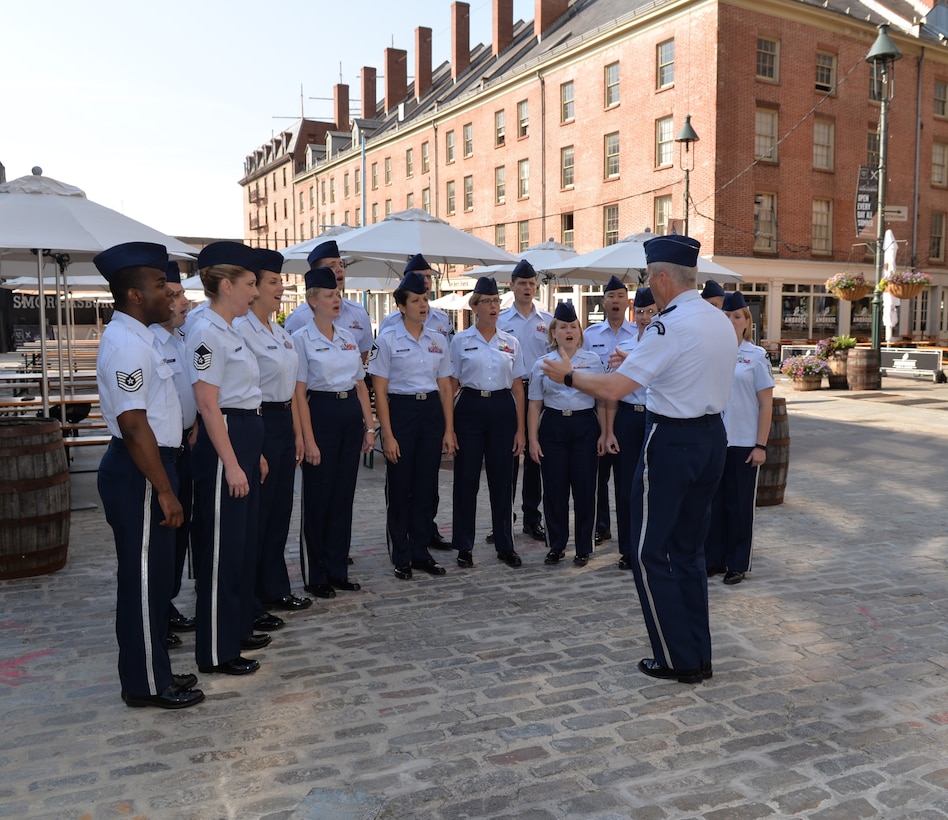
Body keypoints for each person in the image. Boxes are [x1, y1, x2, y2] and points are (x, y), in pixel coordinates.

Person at [541, 235, 737, 684]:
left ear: (662, 278)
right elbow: (687, 367)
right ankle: (696, 653)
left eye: (650, 278)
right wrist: (638, 358)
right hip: (711, 439)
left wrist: (566, 374)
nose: (650, 286)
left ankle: (676, 659)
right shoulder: (716, 319)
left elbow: (613, 390)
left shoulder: (669, 325)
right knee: (688, 552)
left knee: (653, 553)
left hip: (673, 442)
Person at [94, 241, 203, 709]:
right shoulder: (125, 344)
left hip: (156, 465)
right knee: (141, 581)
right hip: (142, 470)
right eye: (160, 285)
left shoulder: (143, 337)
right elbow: (134, 426)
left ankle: (154, 670)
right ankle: (144, 684)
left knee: (154, 580)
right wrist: (164, 490)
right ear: (135, 295)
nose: (169, 293)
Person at [186, 241, 269, 676]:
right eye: (250, 284)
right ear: (225, 285)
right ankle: (216, 652)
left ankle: (234, 630)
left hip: (244, 434)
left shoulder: (230, 328)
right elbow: (207, 404)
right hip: (226, 438)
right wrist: (233, 462)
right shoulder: (205, 331)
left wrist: (250, 456)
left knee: (241, 546)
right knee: (220, 551)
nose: (255, 293)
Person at [236, 248, 312, 630]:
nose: (280, 288)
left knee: (280, 512)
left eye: (281, 281)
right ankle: (248, 599)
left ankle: (274, 586)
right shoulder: (240, 330)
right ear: (253, 288)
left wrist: (298, 434)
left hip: (283, 423)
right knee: (257, 516)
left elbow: (294, 389)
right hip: (258, 422)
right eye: (272, 282)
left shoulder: (280, 332)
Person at [368, 270, 457, 580]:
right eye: (416, 300)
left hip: (431, 411)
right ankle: (401, 553)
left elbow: (445, 386)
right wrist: (388, 435)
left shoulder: (437, 339)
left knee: (426, 487)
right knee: (401, 485)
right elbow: (379, 390)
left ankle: (421, 551)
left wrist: (449, 428)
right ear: (401, 307)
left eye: (425, 299)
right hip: (402, 412)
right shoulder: (387, 340)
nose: (423, 305)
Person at [293, 266, 375, 599]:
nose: (336, 300)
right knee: (318, 498)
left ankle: (338, 569)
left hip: (348, 416)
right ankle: (316, 574)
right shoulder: (300, 339)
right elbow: (298, 394)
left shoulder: (347, 338)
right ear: (313, 300)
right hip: (321, 413)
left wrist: (369, 428)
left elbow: (360, 386)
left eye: (338, 294)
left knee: (343, 497)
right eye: (329, 295)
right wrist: (308, 439)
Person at [450, 276, 526, 568]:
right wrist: (449, 428)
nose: (493, 307)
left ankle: (505, 544)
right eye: (487, 302)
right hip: (469, 407)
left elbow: (518, 387)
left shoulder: (511, 342)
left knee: (503, 481)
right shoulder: (460, 341)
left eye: (496, 301)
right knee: (466, 480)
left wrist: (520, 429)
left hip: (502, 409)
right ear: (475, 306)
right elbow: (451, 385)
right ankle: (464, 546)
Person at [527, 302, 611, 566]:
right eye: (563, 327)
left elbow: (602, 399)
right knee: (554, 489)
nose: (569, 331)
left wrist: (605, 433)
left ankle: (584, 547)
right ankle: (557, 544)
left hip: (585, 425)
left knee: (586, 489)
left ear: (580, 331)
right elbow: (534, 404)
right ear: (553, 332)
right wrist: (532, 439)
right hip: (553, 426)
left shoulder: (593, 361)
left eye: (573, 326)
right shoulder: (543, 364)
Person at [705, 291, 774, 585]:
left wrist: (761, 445)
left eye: (736, 317)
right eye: (725, 316)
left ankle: (737, 562)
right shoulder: (710, 352)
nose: (731, 321)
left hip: (744, 442)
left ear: (747, 322)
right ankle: (715, 559)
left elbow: (766, 403)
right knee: (713, 504)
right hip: (713, 440)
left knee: (740, 506)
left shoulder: (756, 356)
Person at [149, 261, 197, 645]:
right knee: (159, 541)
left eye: (182, 295)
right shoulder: (148, 342)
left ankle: (167, 603)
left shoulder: (180, 339)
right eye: (176, 296)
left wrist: (193, 422)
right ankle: (155, 615)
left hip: (185, 445)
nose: (184, 302)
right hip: (157, 453)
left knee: (178, 537)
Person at [497, 260, 552, 542]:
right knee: (507, 459)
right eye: (522, 283)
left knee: (535, 458)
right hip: (511, 391)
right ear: (512, 285)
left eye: (532, 284)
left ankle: (532, 517)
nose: (528, 288)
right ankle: (503, 520)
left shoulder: (548, 321)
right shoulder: (501, 321)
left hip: (539, 394)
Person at [582, 275, 636, 547]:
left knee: (625, 477)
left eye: (620, 296)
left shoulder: (639, 334)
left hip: (626, 411)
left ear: (628, 302)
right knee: (598, 476)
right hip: (596, 412)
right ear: (603, 302)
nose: (615, 301)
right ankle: (601, 526)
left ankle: (629, 530)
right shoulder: (590, 335)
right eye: (611, 297)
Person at [611, 287, 657, 571]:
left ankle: (651, 548)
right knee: (625, 485)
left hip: (654, 417)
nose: (644, 317)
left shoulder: (665, 344)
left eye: (650, 311)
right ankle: (628, 548)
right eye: (639, 312)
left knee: (654, 486)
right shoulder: (624, 346)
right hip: (628, 417)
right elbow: (612, 391)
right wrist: (608, 430)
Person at [283, 240, 373, 361]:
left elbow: (362, 356)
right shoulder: (300, 317)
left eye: (341, 265)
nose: (339, 270)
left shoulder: (359, 312)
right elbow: (291, 360)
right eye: (331, 266)